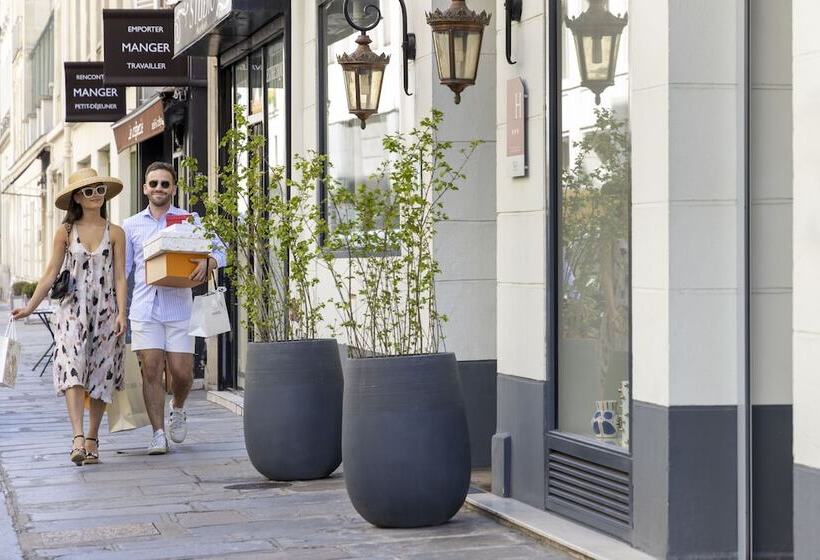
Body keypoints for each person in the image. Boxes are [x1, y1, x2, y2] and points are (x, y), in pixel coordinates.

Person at [12, 168, 127, 466]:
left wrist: (122, 314)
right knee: (73, 369)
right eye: (88, 191)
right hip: (72, 310)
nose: (95, 195)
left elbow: (120, 278)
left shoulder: (115, 232)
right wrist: (30, 308)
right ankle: (77, 437)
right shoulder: (64, 232)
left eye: (99, 189)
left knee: (102, 375)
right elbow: (50, 273)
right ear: (77, 197)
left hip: (106, 311)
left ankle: (92, 437)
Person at [123, 161, 225, 455]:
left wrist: (210, 261)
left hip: (180, 307)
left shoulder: (189, 220)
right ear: (145, 188)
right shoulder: (131, 226)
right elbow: (125, 270)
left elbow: (220, 250)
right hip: (144, 309)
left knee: (182, 373)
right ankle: (157, 433)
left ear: (174, 189)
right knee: (152, 370)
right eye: (153, 183)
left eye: (164, 184)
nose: (158, 188)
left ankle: (177, 407)